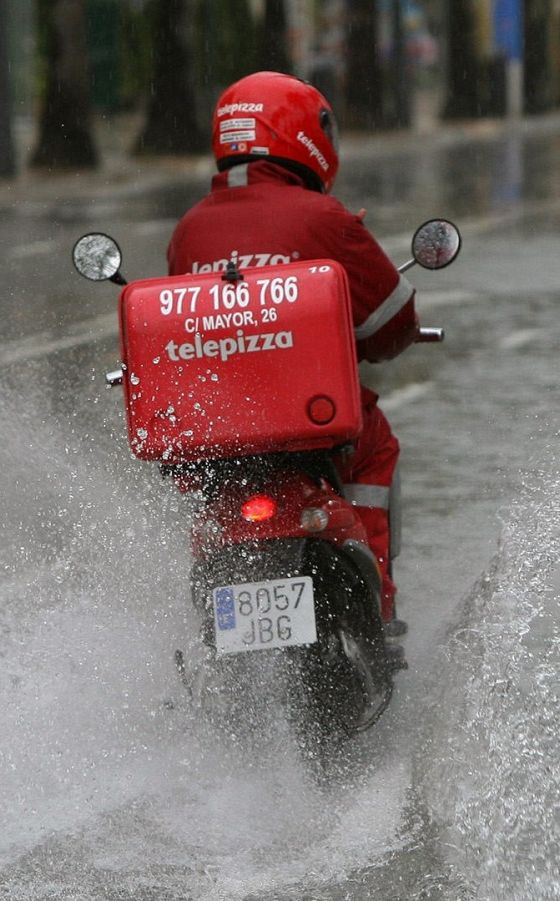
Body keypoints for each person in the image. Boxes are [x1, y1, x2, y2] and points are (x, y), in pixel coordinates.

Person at [167, 71, 420, 630]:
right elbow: (393, 325)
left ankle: (213, 619)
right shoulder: (324, 219)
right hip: (310, 426)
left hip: (223, 432)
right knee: (374, 446)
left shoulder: (188, 230)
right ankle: (377, 598)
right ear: (308, 135)